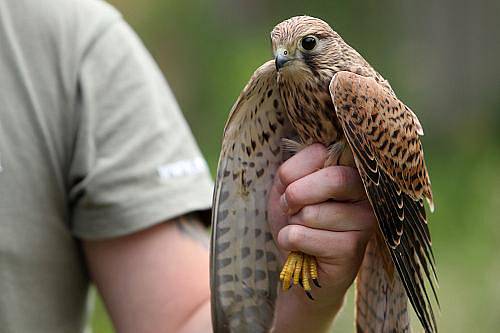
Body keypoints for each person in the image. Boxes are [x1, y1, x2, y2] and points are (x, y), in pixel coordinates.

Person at [0, 0, 376, 332]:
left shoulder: (67, 39)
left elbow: (180, 321)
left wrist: (300, 307)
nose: (280, 59)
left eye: (303, 47)